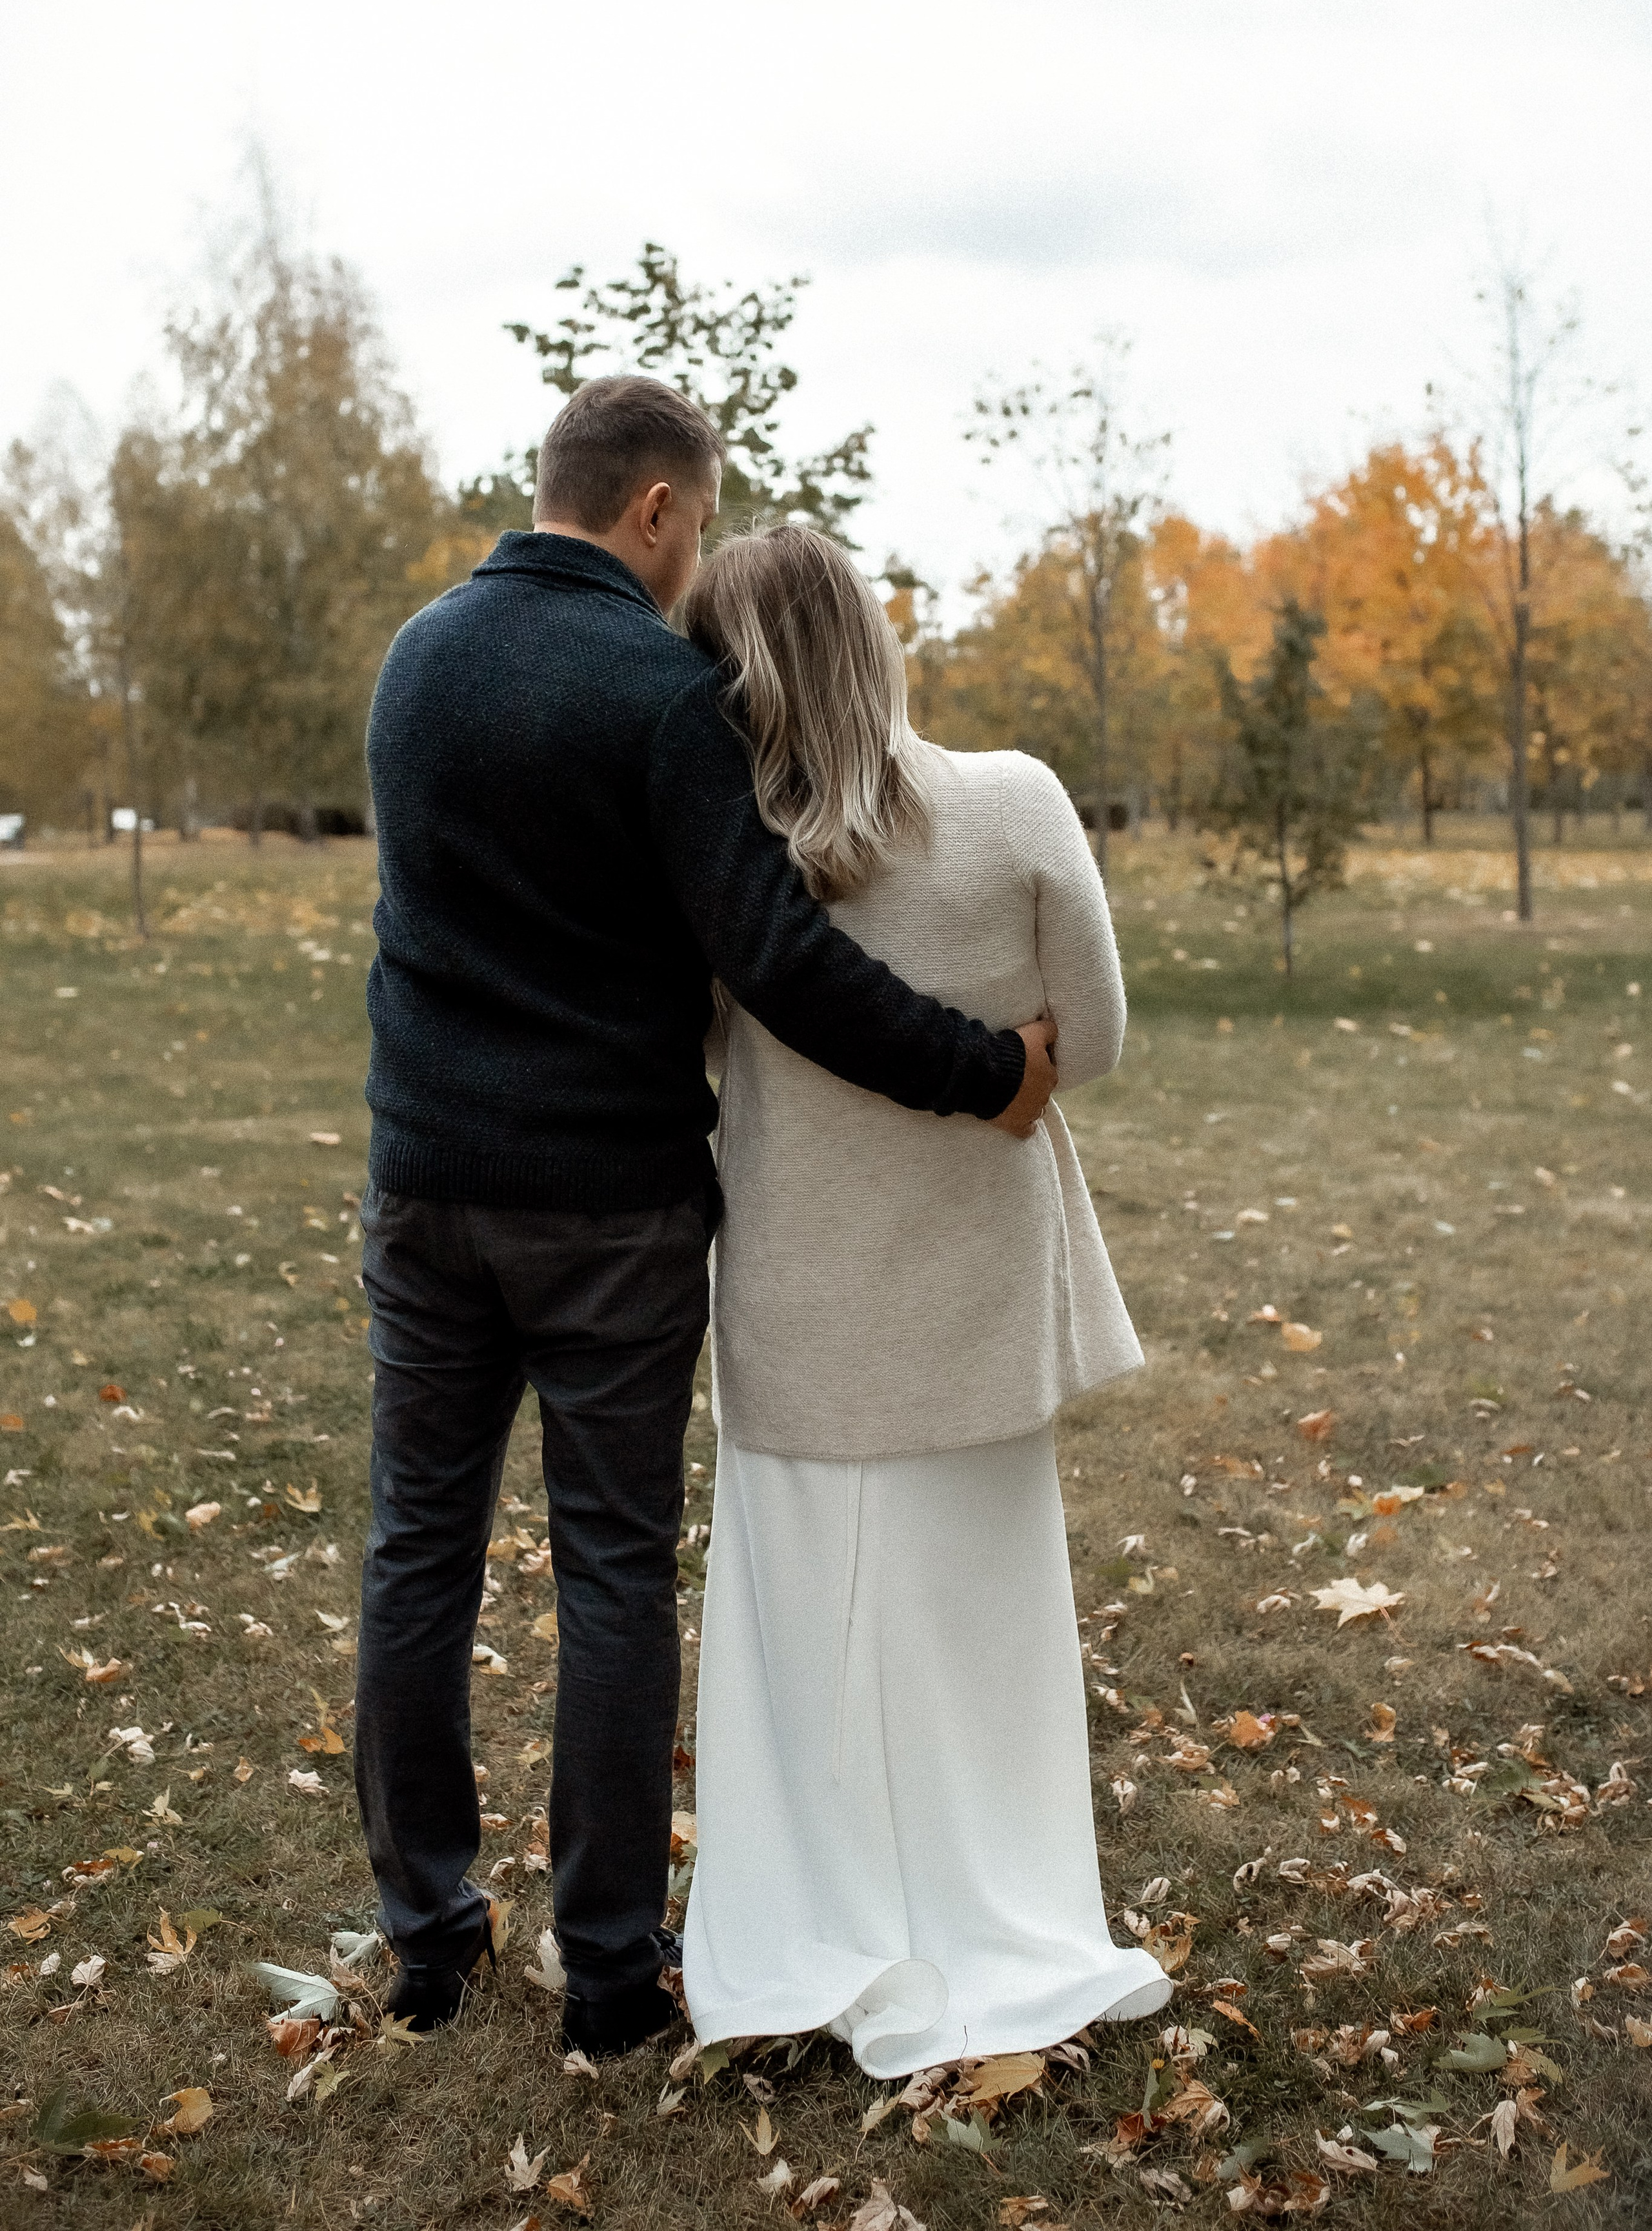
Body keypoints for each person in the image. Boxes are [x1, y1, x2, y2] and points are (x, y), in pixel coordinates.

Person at [354, 377, 1058, 2052]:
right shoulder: (663, 696)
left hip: (426, 1186)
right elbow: (782, 960)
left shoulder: (417, 662)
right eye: (696, 531)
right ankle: (606, 1975)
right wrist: (987, 1073)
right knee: (608, 1571)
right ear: (657, 510)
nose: (696, 571)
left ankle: (428, 1935)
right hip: (608, 1212)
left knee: (417, 1552)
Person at [681, 525, 1173, 2074]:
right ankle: (1000, 1912)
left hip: (797, 1290)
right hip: (968, 1292)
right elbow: (1083, 1042)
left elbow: (699, 1054)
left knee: (801, 1649)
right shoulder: (1012, 801)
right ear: (875, 640)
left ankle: (816, 1918)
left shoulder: (722, 851)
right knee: (979, 1638)